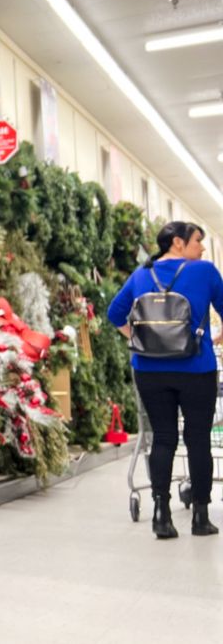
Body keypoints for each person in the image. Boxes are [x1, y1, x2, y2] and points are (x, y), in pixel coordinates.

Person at [108, 220, 223, 539]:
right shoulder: (206, 271)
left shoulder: (141, 274)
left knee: (162, 437)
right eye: (198, 240)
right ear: (177, 242)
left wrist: (140, 341)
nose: (202, 247)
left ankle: (162, 514)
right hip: (197, 367)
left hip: (149, 369)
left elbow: (114, 314)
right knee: (198, 439)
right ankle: (201, 517)